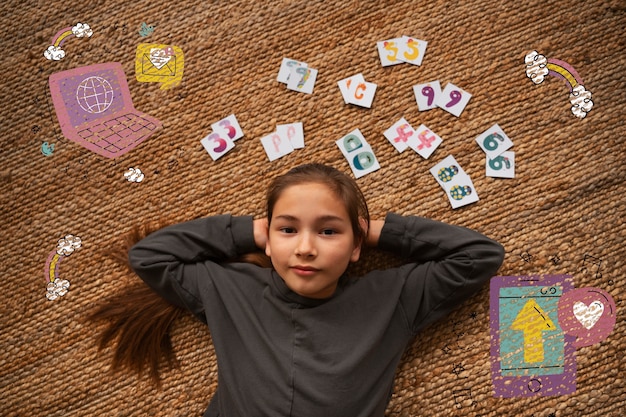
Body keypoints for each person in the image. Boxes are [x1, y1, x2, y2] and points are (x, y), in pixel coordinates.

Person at [91, 163, 504, 417]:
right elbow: (149, 257)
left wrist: (377, 232)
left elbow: (480, 255)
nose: (305, 248)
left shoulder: (391, 297)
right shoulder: (229, 289)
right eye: (288, 229)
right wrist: (248, 231)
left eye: (328, 231)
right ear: (268, 238)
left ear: (355, 244)